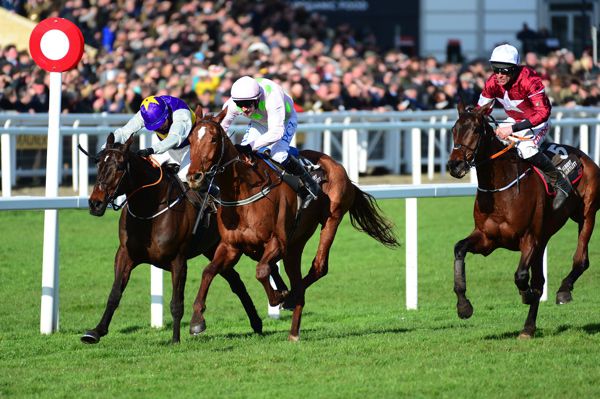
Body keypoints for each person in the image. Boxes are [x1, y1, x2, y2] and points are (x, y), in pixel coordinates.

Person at [478, 43, 571, 210]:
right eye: (495, 69)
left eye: (504, 70)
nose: (499, 74)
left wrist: (512, 129)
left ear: (514, 68)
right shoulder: (492, 82)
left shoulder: (530, 80)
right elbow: (481, 110)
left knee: (526, 149)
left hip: (537, 122)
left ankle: (561, 183)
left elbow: (543, 113)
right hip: (514, 120)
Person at [220, 76, 320, 209]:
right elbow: (220, 128)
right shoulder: (232, 104)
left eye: (248, 104)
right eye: (240, 104)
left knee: (277, 154)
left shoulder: (272, 96)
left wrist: (250, 146)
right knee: (242, 157)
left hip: (284, 121)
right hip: (260, 122)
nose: (244, 109)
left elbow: (276, 132)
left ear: (258, 98)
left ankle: (310, 185)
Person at [112, 95, 194, 182]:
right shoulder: (145, 112)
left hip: (192, 146)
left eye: (161, 123)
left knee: (183, 177)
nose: (159, 127)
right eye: (155, 126)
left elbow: (175, 138)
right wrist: (105, 148)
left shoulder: (180, 111)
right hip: (168, 148)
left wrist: (152, 150)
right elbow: (123, 132)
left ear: (167, 113)